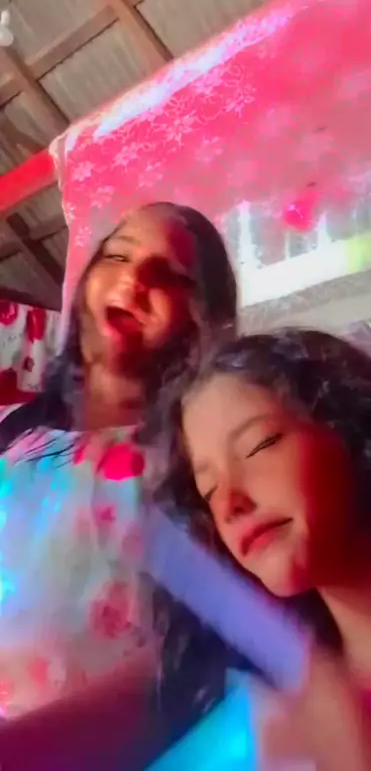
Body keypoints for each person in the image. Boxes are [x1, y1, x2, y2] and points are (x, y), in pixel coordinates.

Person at [153, 328, 371, 767]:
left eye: (259, 446)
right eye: (208, 490)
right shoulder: (284, 704)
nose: (229, 502)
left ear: (352, 433)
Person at [0, 201, 237, 769]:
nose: (134, 280)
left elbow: (190, 654)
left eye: (170, 274)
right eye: (118, 256)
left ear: (204, 319)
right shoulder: (11, 431)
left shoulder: (200, 455)